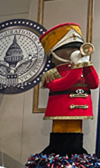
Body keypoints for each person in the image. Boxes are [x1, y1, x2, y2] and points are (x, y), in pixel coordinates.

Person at [39, 22, 99, 154]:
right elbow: (63, 84)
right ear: (53, 56)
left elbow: (94, 84)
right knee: (59, 135)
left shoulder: (83, 69)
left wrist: (87, 64)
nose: (74, 52)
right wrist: (77, 67)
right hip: (61, 109)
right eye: (69, 49)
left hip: (79, 111)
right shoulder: (51, 74)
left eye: (76, 49)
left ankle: (76, 150)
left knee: (75, 137)